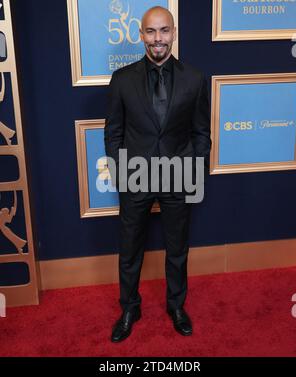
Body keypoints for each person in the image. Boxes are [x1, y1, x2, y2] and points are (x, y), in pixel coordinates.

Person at [104, 6, 211, 343]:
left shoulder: (194, 79)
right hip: (135, 176)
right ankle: (129, 308)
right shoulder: (122, 80)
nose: (158, 39)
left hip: (178, 175)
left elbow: (201, 133)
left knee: (177, 248)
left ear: (174, 33)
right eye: (151, 32)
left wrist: (191, 168)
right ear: (141, 35)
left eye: (164, 31)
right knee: (129, 248)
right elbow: (113, 134)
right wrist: (123, 173)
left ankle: (176, 306)